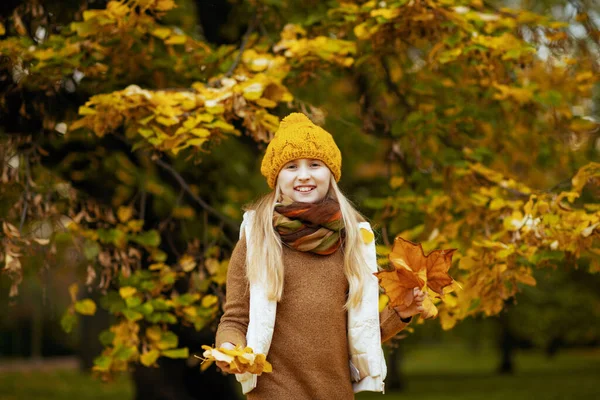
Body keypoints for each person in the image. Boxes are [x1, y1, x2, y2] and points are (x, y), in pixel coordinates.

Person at [213, 113, 427, 399]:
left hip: (335, 392)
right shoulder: (258, 238)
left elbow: (360, 333)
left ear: (330, 174)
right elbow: (235, 320)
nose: (304, 175)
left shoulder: (352, 241)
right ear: (277, 178)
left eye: (315, 164)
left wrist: (400, 313)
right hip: (273, 392)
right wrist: (230, 349)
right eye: (291, 167)